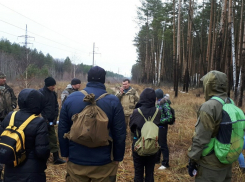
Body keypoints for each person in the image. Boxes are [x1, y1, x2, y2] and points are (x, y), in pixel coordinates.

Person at [58, 66, 126, 182]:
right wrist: (118, 156)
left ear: (88, 79)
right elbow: (119, 132)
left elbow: (62, 129)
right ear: (103, 80)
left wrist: (65, 153)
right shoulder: (113, 101)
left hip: (76, 159)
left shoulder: (71, 99)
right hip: (104, 162)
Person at [187, 70, 232, 181]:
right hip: (227, 164)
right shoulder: (230, 103)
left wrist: (192, 160)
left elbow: (201, 137)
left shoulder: (209, 107)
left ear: (209, 85)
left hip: (209, 167)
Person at [0, 89, 50, 182]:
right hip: (33, 172)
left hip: (10, 168)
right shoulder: (39, 122)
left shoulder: (10, 116)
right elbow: (41, 152)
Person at [130, 88, 161, 182]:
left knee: (138, 173)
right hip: (153, 145)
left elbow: (131, 128)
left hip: (138, 145)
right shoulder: (157, 112)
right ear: (154, 99)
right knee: (150, 172)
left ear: (142, 97)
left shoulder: (136, 112)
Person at [39, 77, 65, 165]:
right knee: (42, 140)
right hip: (42, 122)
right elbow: (40, 108)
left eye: (54, 85)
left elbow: (56, 106)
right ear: (48, 85)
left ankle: (56, 158)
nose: (54, 87)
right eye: (52, 86)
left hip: (51, 121)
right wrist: (44, 119)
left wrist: (55, 118)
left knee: (53, 139)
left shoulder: (53, 94)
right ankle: (42, 159)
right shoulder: (40, 93)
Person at [0, 71, 17, 181]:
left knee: (7, 140)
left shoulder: (8, 89)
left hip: (8, 118)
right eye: (2, 78)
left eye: (5, 78)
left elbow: (14, 98)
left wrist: (14, 105)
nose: (4, 79)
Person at [155, 89, 173, 170]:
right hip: (157, 127)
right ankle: (157, 160)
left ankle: (165, 163)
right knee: (157, 143)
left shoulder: (165, 104)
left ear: (157, 96)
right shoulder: (157, 103)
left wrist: (160, 122)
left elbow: (170, 118)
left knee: (163, 145)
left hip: (162, 127)